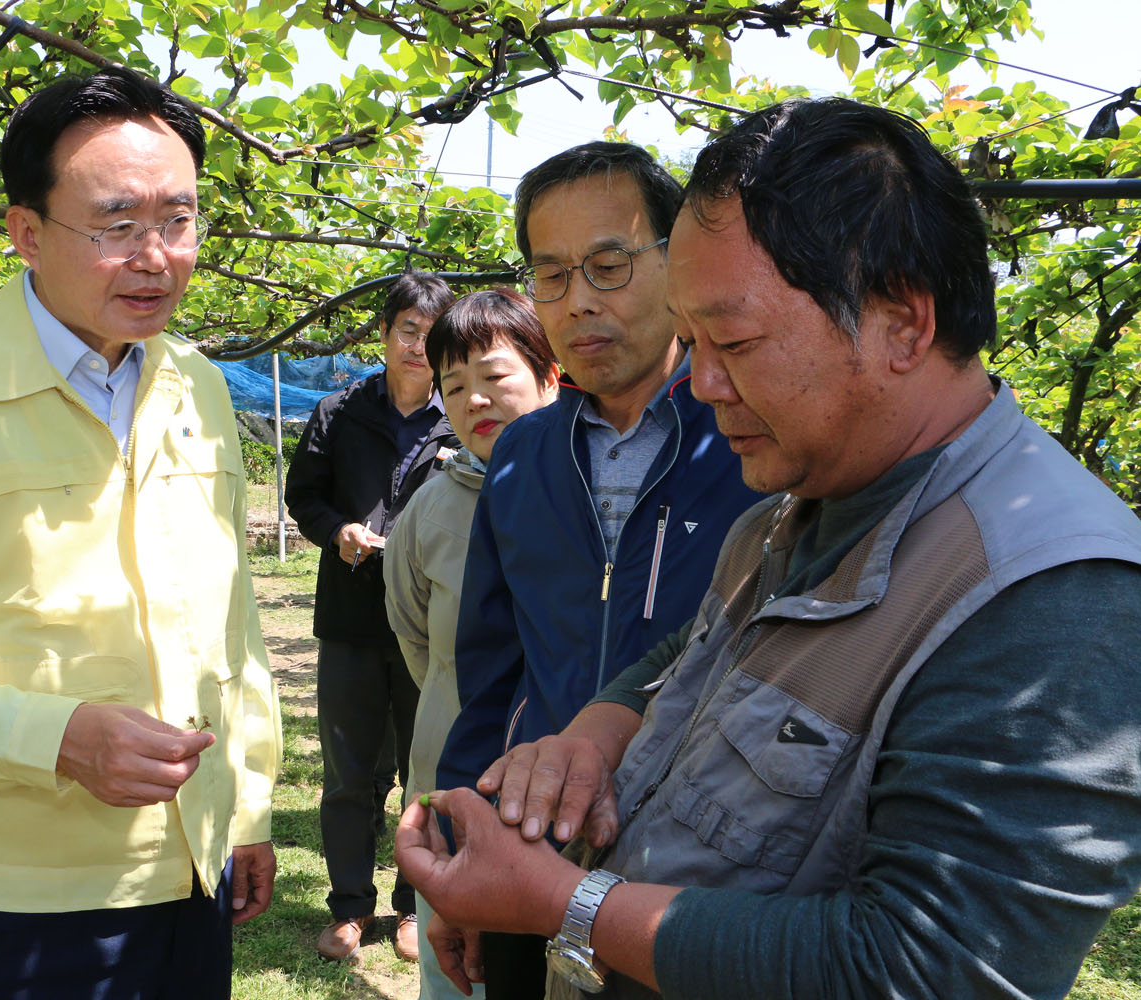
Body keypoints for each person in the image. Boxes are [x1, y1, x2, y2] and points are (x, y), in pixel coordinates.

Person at [399, 97, 1141, 1000]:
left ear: (905, 323)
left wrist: (571, 904)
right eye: (695, 338)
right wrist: (595, 735)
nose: (703, 382)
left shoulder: (1055, 597)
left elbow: (934, 970)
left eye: (736, 342)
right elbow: (693, 654)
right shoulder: (793, 510)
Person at [0, 67, 281, 1000]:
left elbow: (230, 625)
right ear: (26, 233)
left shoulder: (195, 385)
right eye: (116, 225)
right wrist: (61, 738)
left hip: (193, 862)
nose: (156, 256)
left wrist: (247, 805)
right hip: (19, 893)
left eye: (180, 220)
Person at [433, 143, 762, 994]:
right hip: (526, 833)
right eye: (551, 276)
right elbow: (492, 667)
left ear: (676, 261)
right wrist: (456, 832)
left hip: (698, 850)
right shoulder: (523, 452)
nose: (579, 301)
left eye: (609, 265)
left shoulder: (753, 435)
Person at [384, 288, 561, 999]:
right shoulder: (429, 507)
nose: (475, 400)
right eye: (454, 386)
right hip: (452, 764)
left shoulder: (593, 495)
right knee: (454, 964)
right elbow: (414, 635)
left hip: (566, 782)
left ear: (551, 377)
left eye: (495, 376)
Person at [285, 270, 459, 962]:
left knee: (428, 774)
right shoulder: (340, 411)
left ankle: (414, 906)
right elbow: (306, 495)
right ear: (385, 335)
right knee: (352, 773)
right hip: (353, 620)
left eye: (430, 334)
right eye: (407, 331)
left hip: (431, 624)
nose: (418, 346)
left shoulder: (461, 415)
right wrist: (339, 532)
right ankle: (351, 907)